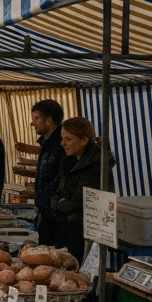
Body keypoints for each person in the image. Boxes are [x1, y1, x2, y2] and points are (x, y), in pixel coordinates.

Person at [51, 117, 115, 264]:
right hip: (69, 232)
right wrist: (60, 202)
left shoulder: (96, 166)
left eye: (68, 139)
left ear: (84, 140)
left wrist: (60, 203)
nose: (62, 144)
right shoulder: (70, 161)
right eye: (62, 139)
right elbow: (57, 194)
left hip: (86, 237)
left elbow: (77, 205)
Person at [30, 99, 67, 246]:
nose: (32, 123)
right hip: (45, 210)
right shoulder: (47, 143)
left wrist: (45, 199)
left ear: (48, 120)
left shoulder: (61, 145)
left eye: (36, 118)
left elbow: (60, 177)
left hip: (55, 215)